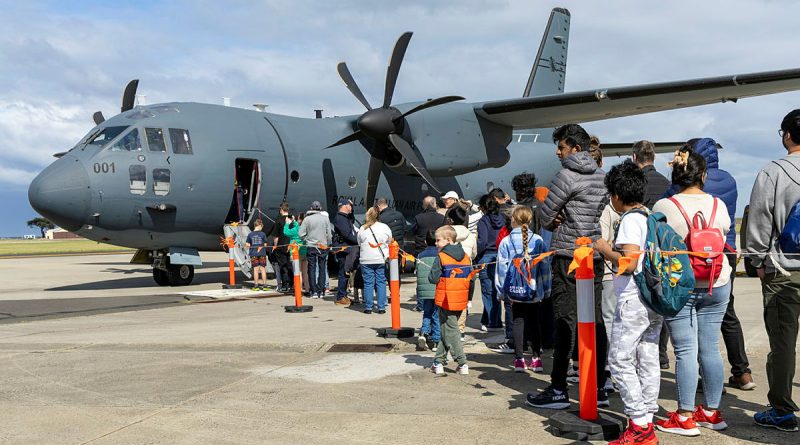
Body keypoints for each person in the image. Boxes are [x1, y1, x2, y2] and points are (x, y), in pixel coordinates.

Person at [528, 123, 609, 410]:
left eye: (561, 146)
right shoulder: (602, 176)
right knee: (595, 320)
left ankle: (559, 386)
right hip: (595, 254)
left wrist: (556, 219)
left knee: (565, 319)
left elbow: (546, 213)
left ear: (575, 148)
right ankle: (598, 386)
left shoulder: (566, 175)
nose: (557, 152)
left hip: (567, 254)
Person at [653, 146, 731, 435]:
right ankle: (711, 411)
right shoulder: (718, 205)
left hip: (681, 285)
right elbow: (723, 234)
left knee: (685, 350)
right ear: (704, 175)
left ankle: (685, 415)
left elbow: (658, 246)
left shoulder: (665, 207)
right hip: (717, 281)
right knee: (710, 347)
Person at [665, 138, 755, 390]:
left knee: (692, 320)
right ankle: (742, 371)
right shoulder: (728, 179)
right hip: (723, 251)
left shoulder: (686, 181)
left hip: (693, 252)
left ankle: (700, 377)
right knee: (727, 313)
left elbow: (667, 205)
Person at [593, 160, 662, 445]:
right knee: (647, 355)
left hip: (634, 298)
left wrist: (604, 247)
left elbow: (628, 262)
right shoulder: (650, 216)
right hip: (653, 298)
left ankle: (639, 424)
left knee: (619, 360)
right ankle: (647, 415)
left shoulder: (631, 220)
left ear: (617, 196)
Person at [747, 109, 800, 432]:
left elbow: (759, 223)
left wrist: (757, 262)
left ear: (787, 135)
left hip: (784, 269)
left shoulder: (773, 172)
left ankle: (781, 409)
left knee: (783, 342)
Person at [634, 139, 676, 370]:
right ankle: (661, 354)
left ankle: (645, 354)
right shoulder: (666, 183)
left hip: (640, 250)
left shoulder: (636, 184)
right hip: (663, 248)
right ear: (654, 157)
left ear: (634, 158)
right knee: (662, 303)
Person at [495, 205, 547, 373]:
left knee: (518, 321)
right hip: (533, 289)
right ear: (530, 221)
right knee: (535, 322)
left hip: (515, 291)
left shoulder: (506, 241)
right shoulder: (538, 240)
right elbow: (545, 267)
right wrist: (546, 288)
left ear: (513, 220)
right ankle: (536, 359)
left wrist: (501, 291)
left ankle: (519, 360)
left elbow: (501, 269)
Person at [429, 225, 471, 376]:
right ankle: (438, 362)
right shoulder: (466, 256)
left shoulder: (441, 257)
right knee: (446, 331)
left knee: (451, 331)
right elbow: (471, 279)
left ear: (448, 240)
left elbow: (432, 278)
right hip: (461, 298)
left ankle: (462, 362)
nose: (436, 243)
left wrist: (434, 272)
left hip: (446, 299)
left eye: (438, 240)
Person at [477, 189, 507, 336]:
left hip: (487, 256)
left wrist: (477, 256)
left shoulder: (483, 221)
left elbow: (482, 242)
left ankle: (493, 322)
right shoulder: (504, 218)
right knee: (498, 290)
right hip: (502, 256)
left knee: (488, 291)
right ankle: (488, 318)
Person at [446, 205, 477, 342]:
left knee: (448, 301)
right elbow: (475, 253)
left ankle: (449, 328)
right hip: (466, 271)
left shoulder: (446, 233)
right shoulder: (471, 235)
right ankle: (461, 330)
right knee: (462, 302)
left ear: (451, 220)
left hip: (449, 270)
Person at [412, 196, 447, 311]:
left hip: (422, 250)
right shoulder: (441, 218)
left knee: (421, 278)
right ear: (434, 204)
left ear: (425, 205)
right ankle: (438, 301)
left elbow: (413, 231)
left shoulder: (418, 217)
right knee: (438, 276)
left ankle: (421, 305)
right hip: (439, 250)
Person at [357, 207, 392, 314]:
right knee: (381, 282)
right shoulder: (384, 227)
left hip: (366, 259)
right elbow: (389, 240)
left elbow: (359, 242)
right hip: (380, 258)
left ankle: (368, 307)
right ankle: (381, 307)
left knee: (368, 283)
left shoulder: (363, 228)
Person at [299, 201, 332, 299]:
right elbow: (329, 235)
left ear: (311, 208)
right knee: (322, 268)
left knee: (312, 268)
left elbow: (301, 234)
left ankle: (313, 291)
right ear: (320, 208)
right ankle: (321, 291)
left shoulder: (307, 219)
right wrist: (328, 244)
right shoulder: (325, 219)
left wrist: (307, 240)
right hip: (322, 246)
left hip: (311, 245)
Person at [416, 233, 440, 351]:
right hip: (437, 289)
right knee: (436, 315)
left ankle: (424, 333)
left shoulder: (420, 255)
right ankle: (436, 341)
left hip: (425, 291)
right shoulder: (440, 255)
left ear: (425, 242)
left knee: (427, 313)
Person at [332, 199, 357, 306]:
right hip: (343, 248)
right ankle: (341, 296)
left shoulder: (345, 217)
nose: (351, 207)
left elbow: (352, 219)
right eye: (350, 205)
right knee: (343, 272)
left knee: (346, 272)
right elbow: (347, 234)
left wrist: (352, 209)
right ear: (345, 206)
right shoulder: (340, 218)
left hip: (347, 248)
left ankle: (343, 295)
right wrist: (358, 240)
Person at [268, 202, 293, 293]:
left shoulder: (279, 220)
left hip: (281, 246)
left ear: (281, 209)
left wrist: (275, 246)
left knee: (283, 266)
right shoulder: (292, 219)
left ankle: (285, 284)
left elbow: (276, 236)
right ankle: (292, 284)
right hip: (292, 245)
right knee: (290, 265)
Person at [283, 212, 308, 294]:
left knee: (298, 272)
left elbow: (286, 232)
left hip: (296, 253)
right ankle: (307, 289)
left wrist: (287, 224)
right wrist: (293, 221)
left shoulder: (296, 230)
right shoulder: (306, 228)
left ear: (300, 219)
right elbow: (299, 225)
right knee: (305, 272)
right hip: (305, 252)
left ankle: (299, 289)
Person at [246, 219, 269, 291]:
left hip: (253, 254)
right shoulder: (263, 234)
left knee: (255, 269)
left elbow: (247, 244)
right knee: (262, 269)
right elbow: (265, 244)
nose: (262, 228)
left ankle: (256, 286)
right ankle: (265, 285)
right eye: (261, 226)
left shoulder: (250, 234)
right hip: (262, 253)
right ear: (259, 225)